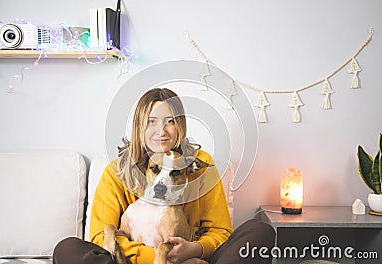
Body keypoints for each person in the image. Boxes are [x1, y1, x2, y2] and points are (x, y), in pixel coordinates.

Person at [53, 88, 275, 264]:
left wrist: (193, 250)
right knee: (68, 249)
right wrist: (160, 258)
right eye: (152, 121)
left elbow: (219, 231)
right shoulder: (117, 171)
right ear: (140, 126)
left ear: (180, 126)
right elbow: (100, 239)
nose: (161, 131)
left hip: (193, 253)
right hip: (134, 259)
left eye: (170, 121)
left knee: (259, 232)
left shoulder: (200, 165)